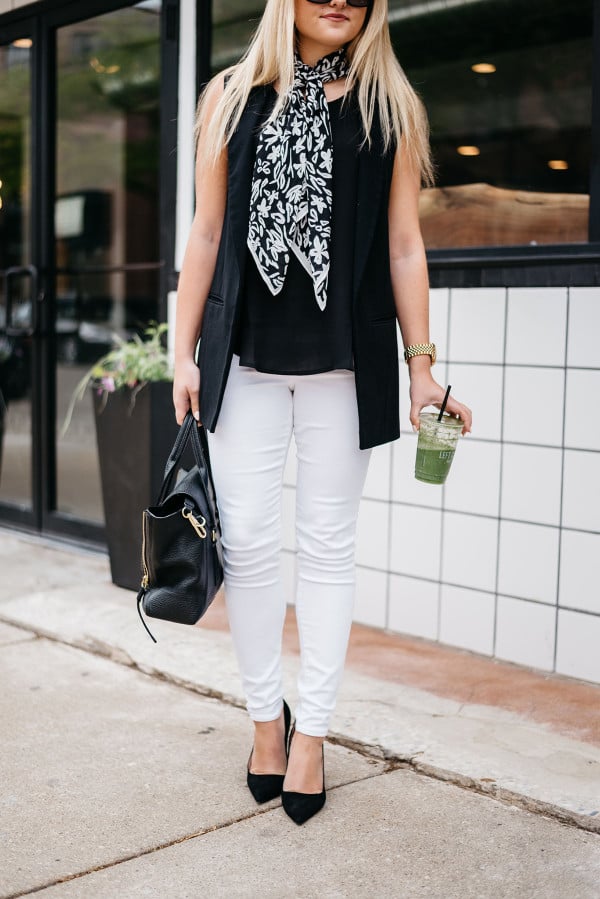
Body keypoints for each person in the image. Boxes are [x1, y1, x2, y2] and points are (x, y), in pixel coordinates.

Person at [173, 0, 472, 825]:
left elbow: (406, 244)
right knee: (254, 549)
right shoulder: (229, 97)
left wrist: (423, 373)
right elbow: (205, 233)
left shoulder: (387, 106)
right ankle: (267, 723)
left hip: (347, 362)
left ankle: (315, 735)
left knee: (330, 552)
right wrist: (181, 351)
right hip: (243, 358)